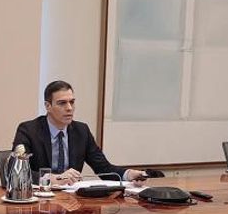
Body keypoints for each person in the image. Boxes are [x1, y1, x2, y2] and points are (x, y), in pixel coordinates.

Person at [12, 80, 148, 187]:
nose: (69, 108)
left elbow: (103, 168)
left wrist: (129, 175)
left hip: (72, 203)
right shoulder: (29, 130)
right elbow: (16, 172)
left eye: (72, 102)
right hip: (40, 202)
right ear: (48, 106)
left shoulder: (81, 131)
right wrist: (54, 178)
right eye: (62, 103)